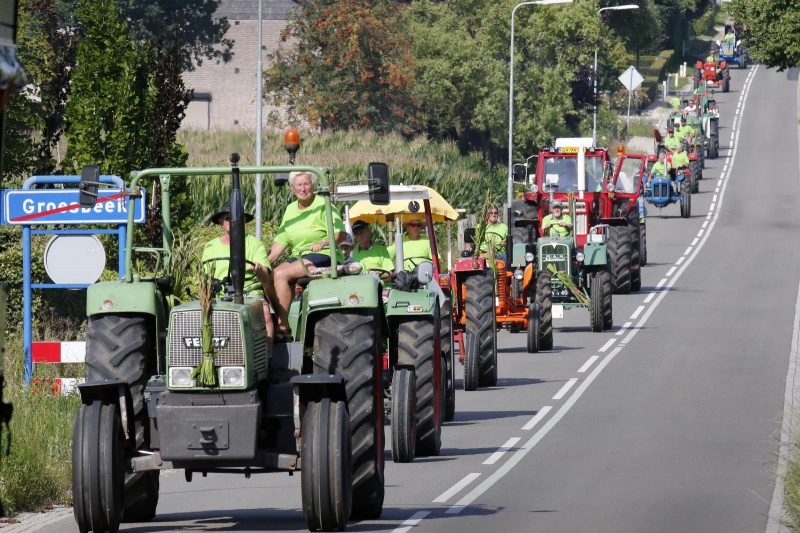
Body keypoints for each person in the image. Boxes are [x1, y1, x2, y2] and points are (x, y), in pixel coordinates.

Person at [268, 171, 346, 338]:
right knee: (269, 275)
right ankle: (273, 321)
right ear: (292, 188)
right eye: (299, 185)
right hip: (299, 256)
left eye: (306, 184)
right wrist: (264, 263)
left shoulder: (324, 205)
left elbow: (340, 234)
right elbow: (281, 241)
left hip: (324, 255)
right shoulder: (290, 210)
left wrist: (324, 242)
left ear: (313, 186)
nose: (303, 189)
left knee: (280, 274)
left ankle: (282, 327)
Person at [202, 201, 275, 344]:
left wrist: (259, 270)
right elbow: (205, 277)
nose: (232, 221)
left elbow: (266, 277)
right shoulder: (210, 247)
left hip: (249, 292)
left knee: (265, 314)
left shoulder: (254, 244)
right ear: (221, 222)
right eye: (228, 218)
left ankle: (268, 359)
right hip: (220, 293)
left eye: (236, 217)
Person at [351, 220, 394, 284]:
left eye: (362, 232)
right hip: (360, 288)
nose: (359, 235)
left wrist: (380, 275)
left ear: (369, 231)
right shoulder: (352, 252)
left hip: (380, 288)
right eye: (356, 233)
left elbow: (390, 275)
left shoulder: (381, 250)